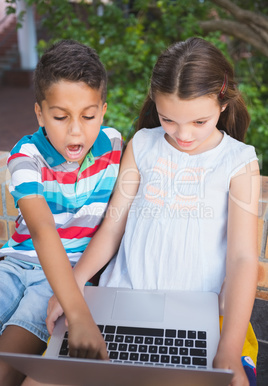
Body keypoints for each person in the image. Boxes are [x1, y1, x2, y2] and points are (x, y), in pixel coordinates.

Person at [37, 37, 260, 386]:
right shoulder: (142, 145)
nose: (183, 135)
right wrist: (73, 284)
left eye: (199, 122)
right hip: (120, 300)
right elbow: (112, 229)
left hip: (195, 314)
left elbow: (244, 259)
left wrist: (230, 346)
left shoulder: (239, 162)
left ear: (222, 100)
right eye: (168, 118)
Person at [0, 39, 122, 385]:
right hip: (15, 264)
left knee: (6, 369)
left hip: (60, 278)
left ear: (103, 110)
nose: (75, 131)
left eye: (88, 116)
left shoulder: (114, 147)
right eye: (59, 116)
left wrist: (73, 304)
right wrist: (79, 316)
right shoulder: (26, 157)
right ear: (40, 113)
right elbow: (42, 231)